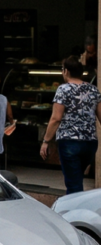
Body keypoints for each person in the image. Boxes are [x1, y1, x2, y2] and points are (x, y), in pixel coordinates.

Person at [42, 57, 101, 194]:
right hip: (90, 142)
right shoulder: (93, 90)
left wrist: (46, 141)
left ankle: (74, 213)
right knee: (77, 178)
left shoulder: (63, 89)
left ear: (66, 71)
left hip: (69, 141)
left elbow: (56, 118)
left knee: (73, 184)